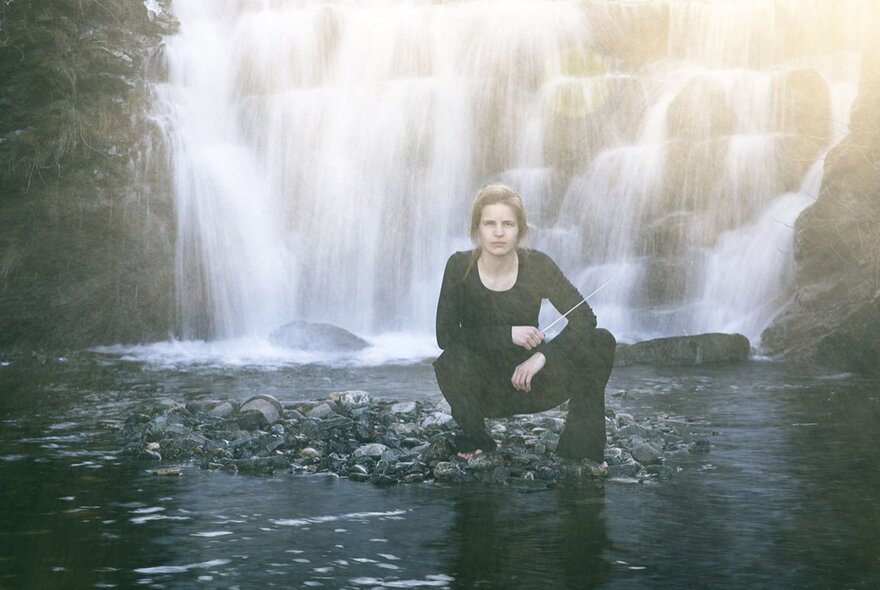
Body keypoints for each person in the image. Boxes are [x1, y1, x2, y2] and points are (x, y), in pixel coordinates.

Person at [433, 183, 616, 463]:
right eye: (489, 223)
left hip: (531, 384)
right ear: (477, 229)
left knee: (600, 340)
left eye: (508, 224)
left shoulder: (537, 265)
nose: (498, 232)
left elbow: (584, 317)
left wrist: (543, 356)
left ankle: (580, 446)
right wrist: (507, 334)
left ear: (520, 229)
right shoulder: (459, 267)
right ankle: (477, 437)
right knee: (452, 359)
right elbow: (445, 336)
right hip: (483, 389)